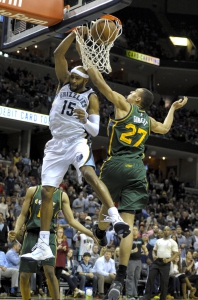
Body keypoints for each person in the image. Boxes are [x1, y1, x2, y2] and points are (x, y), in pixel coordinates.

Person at [76, 33, 188, 300]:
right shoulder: (149, 121)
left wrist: (85, 53)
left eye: (133, 92)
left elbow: (100, 82)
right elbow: (166, 127)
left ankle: (100, 233)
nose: (129, 92)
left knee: (106, 216)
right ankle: (121, 278)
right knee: (127, 224)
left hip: (115, 166)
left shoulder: (124, 105)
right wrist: (172, 108)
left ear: (137, 100)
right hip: (138, 170)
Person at [21, 30, 130, 262]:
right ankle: (43, 245)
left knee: (89, 173)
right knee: (47, 192)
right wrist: (73, 33)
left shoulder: (91, 97)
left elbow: (95, 130)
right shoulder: (63, 83)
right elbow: (59, 55)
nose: (72, 80)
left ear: (85, 80)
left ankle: (115, 216)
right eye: (71, 76)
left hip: (78, 141)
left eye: (77, 78)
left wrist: (84, 120)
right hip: (55, 145)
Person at [8, 185, 98, 300]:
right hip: (31, 234)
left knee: (50, 272)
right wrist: (16, 231)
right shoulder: (33, 190)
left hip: (49, 234)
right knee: (25, 275)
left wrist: (90, 233)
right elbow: (22, 214)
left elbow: (71, 221)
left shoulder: (62, 195)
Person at [140, 227, 178, 300]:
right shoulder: (158, 241)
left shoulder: (172, 242)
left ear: (170, 232)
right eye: (165, 230)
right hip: (157, 261)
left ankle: (163, 297)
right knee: (151, 277)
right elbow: (154, 250)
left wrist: (169, 260)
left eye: (167, 230)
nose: (166, 232)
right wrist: (154, 256)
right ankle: (147, 295)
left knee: (164, 281)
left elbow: (176, 254)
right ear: (163, 232)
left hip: (166, 262)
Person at [126, 226, 148, 299]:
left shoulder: (140, 240)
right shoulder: (128, 239)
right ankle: (129, 293)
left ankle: (135, 293)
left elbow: (143, 247)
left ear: (138, 231)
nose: (135, 231)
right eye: (133, 230)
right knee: (130, 277)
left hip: (138, 261)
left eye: (136, 230)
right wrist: (132, 251)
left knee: (136, 277)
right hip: (131, 260)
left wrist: (146, 251)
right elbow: (125, 251)